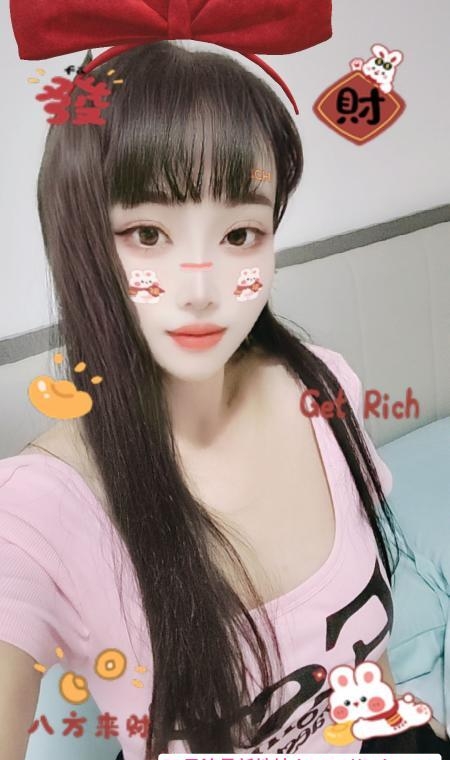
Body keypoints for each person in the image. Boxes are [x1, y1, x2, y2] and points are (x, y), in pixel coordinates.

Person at [0, 41, 449, 760]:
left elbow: (370, 662)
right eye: (148, 233)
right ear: (80, 241)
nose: (201, 287)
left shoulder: (324, 390)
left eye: (241, 233)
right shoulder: (34, 512)